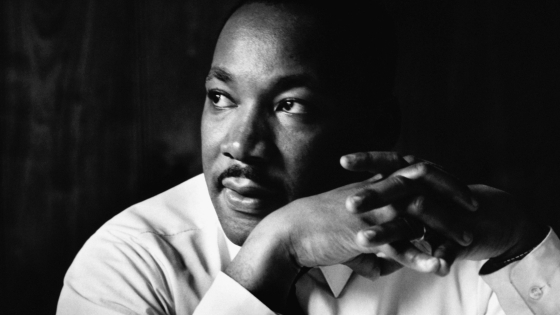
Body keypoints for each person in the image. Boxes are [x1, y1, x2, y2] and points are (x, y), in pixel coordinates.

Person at [56, 1, 560, 314]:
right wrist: (277, 249)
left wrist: (523, 244)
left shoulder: (461, 256)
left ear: (377, 127)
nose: (240, 144)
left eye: (288, 106)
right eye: (220, 98)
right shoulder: (130, 263)